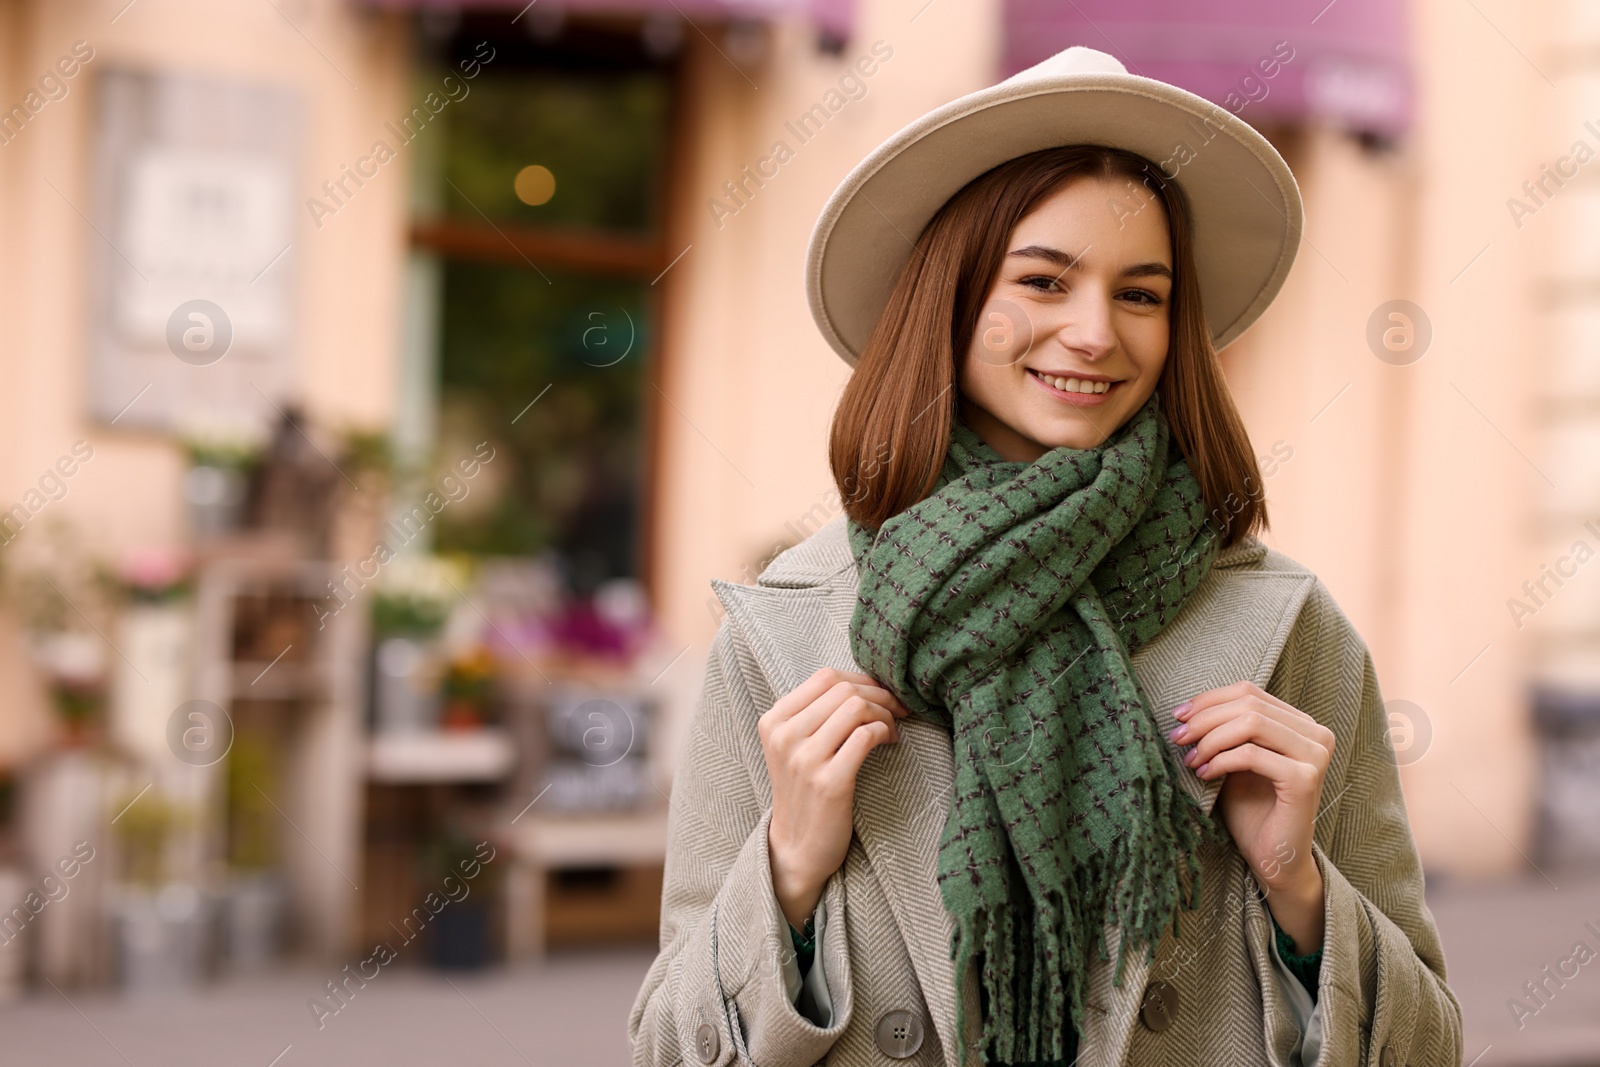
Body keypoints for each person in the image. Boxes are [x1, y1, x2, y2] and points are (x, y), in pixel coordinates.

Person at [629, 44, 1463, 1067]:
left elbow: (1428, 1044)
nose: (1092, 332)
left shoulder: (1286, 630)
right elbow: (666, 1048)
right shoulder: (786, 634)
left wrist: (1301, 892)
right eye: (1043, 280)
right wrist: (787, 875)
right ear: (952, 295)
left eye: (1141, 294)